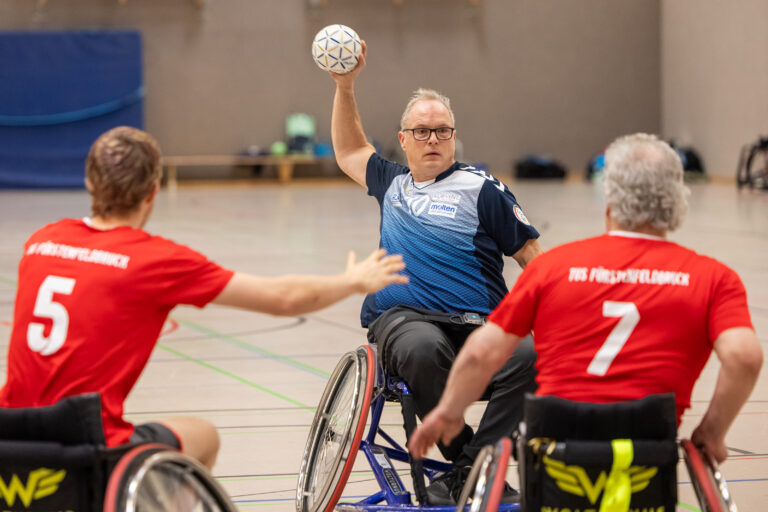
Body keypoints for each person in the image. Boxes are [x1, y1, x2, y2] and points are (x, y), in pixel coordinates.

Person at [0, 126, 408, 470]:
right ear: (152, 191)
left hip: (10, 437)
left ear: (90, 181)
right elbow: (282, 298)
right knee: (204, 439)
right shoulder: (155, 260)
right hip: (88, 447)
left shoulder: (43, 240)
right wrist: (352, 281)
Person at [409, 133, 763, 469]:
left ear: (609, 200)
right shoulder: (713, 278)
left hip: (556, 459)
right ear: (677, 200)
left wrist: (450, 413)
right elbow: (744, 357)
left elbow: (480, 353)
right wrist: (713, 432)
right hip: (646, 460)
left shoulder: (551, 268)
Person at [327, 42, 543, 504]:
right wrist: (345, 86)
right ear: (402, 139)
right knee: (424, 350)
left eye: (441, 131)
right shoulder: (391, 183)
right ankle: (473, 462)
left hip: (480, 324)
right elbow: (348, 149)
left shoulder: (483, 189)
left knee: (530, 355)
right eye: (421, 132)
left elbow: (532, 257)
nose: (432, 140)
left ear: (454, 136)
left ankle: (470, 469)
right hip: (406, 319)